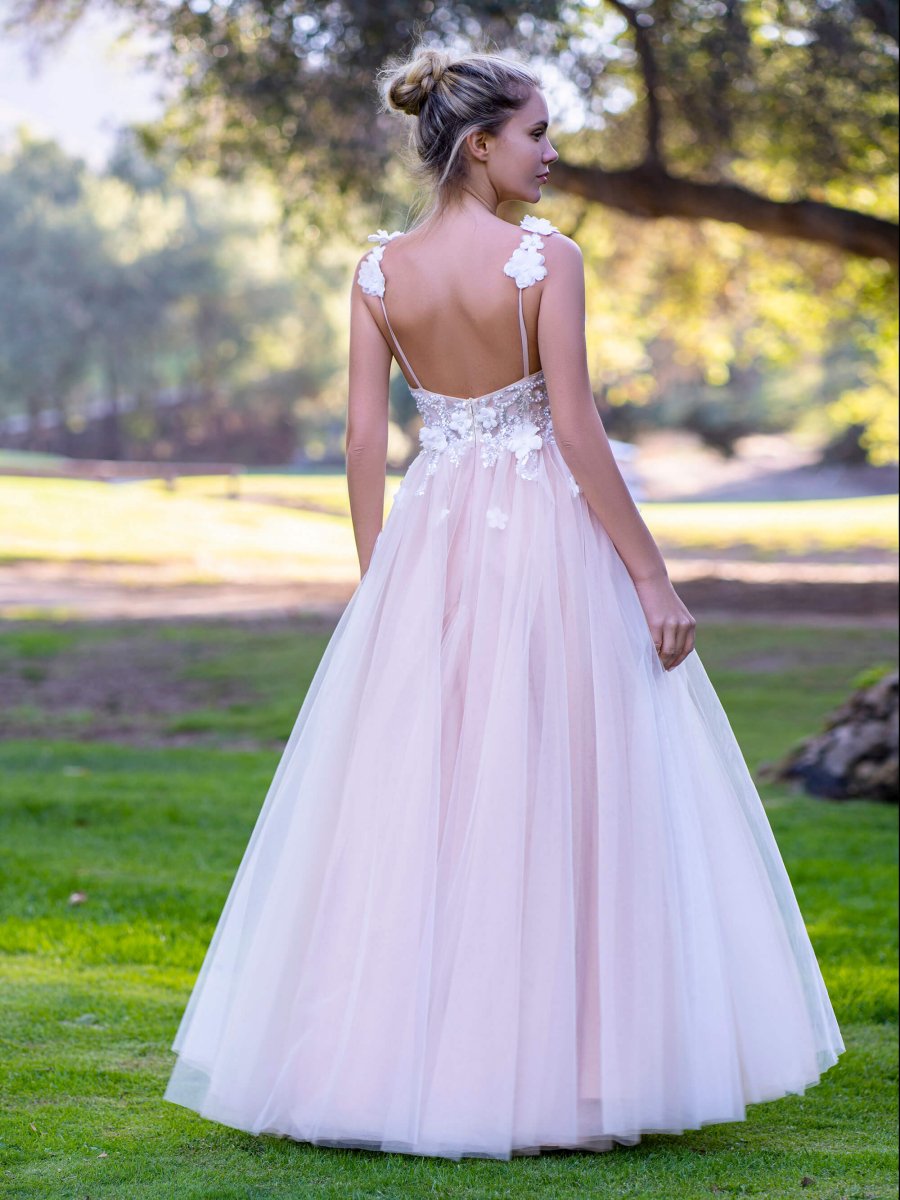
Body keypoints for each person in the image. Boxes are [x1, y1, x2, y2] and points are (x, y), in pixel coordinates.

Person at [163, 45, 844, 1162]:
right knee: (561, 778)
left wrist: (382, 583)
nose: (553, 153)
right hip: (540, 537)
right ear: (480, 145)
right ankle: (567, 1072)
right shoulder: (544, 259)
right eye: (537, 133)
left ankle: (406, 1066)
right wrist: (650, 574)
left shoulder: (377, 271)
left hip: (429, 540)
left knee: (432, 792)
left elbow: (363, 441)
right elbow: (573, 428)